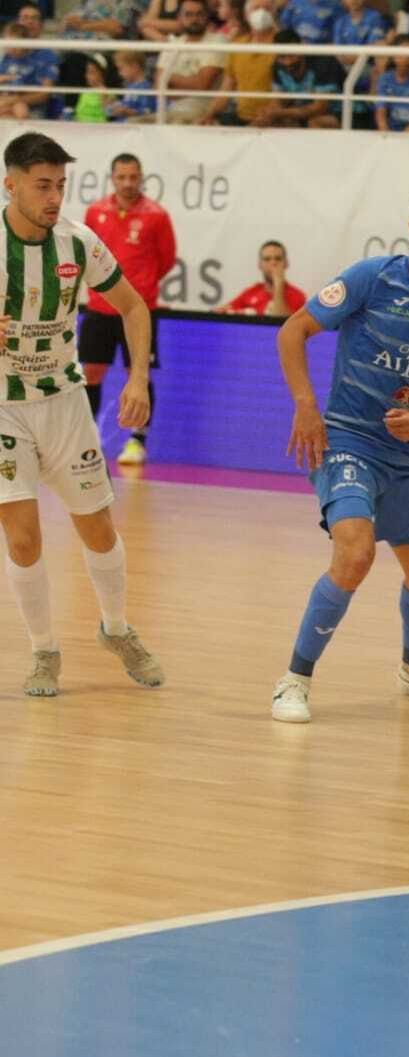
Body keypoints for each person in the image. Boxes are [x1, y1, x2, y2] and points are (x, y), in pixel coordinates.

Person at [271, 184, 409, 724]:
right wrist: (306, 406)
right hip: (346, 441)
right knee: (355, 554)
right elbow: (293, 331)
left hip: (405, 458)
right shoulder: (373, 278)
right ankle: (293, 681)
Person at [0, 132, 164, 697]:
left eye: (61, 186)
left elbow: (133, 306)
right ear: (11, 185)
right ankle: (44, 650)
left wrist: (137, 376)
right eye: (42, 186)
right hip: (4, 408)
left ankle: (116, 630)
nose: (53, 198)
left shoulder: (78, 243)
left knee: (97, 529)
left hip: (65, 402)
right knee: (22, 539)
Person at [81, 152, 176, 466]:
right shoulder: (96, 212)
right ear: (112, 179)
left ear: (141, 177)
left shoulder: (156, 215)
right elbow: (86, 255)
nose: (128, 183)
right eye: (121, 177)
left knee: (137, 372)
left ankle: (137, 441)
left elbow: (165, 260)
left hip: (138, 310)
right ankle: (87, 437)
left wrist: (137, 292)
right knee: (91, 372)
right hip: (98, 308)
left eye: (133, 177)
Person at [200, 0, 279, 126]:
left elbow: (289, 91)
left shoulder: (285, 46)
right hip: (241, 117)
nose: (262, 13)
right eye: (256, 8)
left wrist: (271, 115)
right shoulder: (238, 46)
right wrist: (209, 114)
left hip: (276, 121)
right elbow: (226, 88)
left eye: (267, 9)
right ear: (246, 14)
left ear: (274, 13)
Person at [154, 0, 225, 124]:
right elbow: (158, 86)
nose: (194, 19)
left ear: (206, 16)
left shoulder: (218, 41)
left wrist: (169, 77)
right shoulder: (172, 44)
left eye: (199, 14)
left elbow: (203, 84)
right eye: (188, 14)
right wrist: (192, 83)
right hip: (169, 112)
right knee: (131, 124)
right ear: (179, 18)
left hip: (202, 113)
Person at [225, 241, 308, 316]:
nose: (273, 263)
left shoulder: (298, 296)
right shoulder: (251, 292)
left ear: (286, 263)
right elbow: (223, 312)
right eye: (267, 259)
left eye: (278, 258)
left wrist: (278, 285)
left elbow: (281, 323)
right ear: (260, 265)